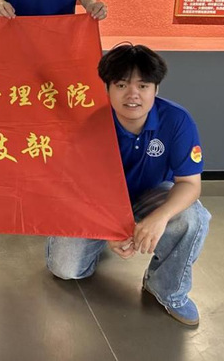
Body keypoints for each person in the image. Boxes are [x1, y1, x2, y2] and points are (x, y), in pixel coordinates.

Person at [45, 44, 211, 326]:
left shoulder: (177, 120)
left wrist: (159, 219)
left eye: (143, 86)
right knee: (66, 269)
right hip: (98, 202)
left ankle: (167, 289)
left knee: (193, 218)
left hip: (150, 195)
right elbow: (75, 190)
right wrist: (109, 229)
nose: (132, 94)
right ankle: (93, 244)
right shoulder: (89, 124)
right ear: (108, 89)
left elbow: (190, 184)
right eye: (121, 85)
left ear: (156, 89)